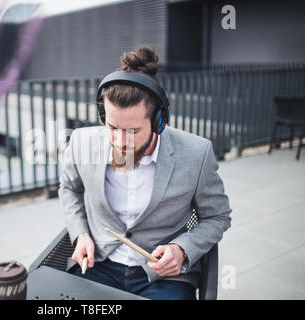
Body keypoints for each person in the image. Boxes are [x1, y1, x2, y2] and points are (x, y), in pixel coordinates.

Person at [58, 45, 232, 300]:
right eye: (112, 127)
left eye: (133, 131)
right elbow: (70, 189)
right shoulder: (81, 143)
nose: (119, 141)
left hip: (163, 278)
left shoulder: (197, 153)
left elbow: (218, 217)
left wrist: (182, 249)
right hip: (98, 265)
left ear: (159, 121)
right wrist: (80, 234)